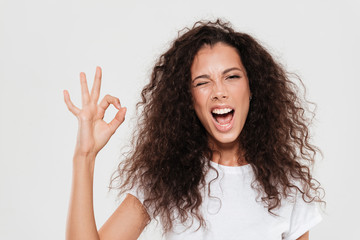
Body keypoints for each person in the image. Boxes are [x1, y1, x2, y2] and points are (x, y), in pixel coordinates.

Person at [63, 19, 324, 240]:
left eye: (231, 77)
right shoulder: (166, 176)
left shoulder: (288, 186)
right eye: (203, 82)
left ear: (252, 87)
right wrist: (84, 155)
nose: (219, 92)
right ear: (188, 98)